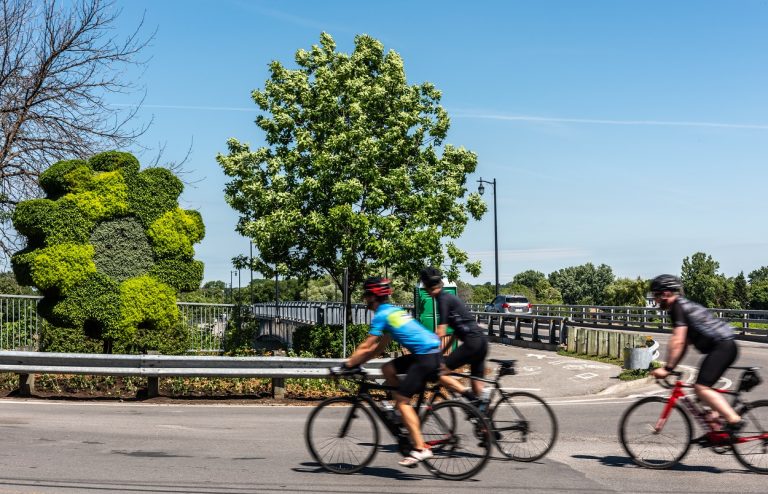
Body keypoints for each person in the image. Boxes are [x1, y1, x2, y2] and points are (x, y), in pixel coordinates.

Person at [333, 276, 442, 467]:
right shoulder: (392, 311)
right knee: (387, 368)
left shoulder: (382, 315)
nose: (364, 298)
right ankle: (401, 413)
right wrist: (359, 363)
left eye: (366, 294)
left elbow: (367, 346)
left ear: (373, 296)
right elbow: (378, 349)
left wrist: (347, 366)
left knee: (402, 400)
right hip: (428, 353)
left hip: (425, 357)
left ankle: (420, 448)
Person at [649, 274, 743, 431]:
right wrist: (672, 366)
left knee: (701, 388)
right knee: (702, 390)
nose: (655, 300)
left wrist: (667, 369)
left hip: (722, 346)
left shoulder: (677, 307)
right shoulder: (679, 307)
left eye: (656, 295)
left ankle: (734, 420)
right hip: (722, 346)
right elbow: (684, 345)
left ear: (665, 293)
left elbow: (677, 341)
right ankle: (718, 429)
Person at [419, 267, 489, 408]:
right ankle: (485, 421)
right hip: (482, 342)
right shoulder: (450, 297)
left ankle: (468, 397)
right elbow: (456, 333)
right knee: (477, 386)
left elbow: (441, 331)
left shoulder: (442, 299)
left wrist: (428, 352)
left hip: (472, 343)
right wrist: (443, 350)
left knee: (440, 372)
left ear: (427, 286)